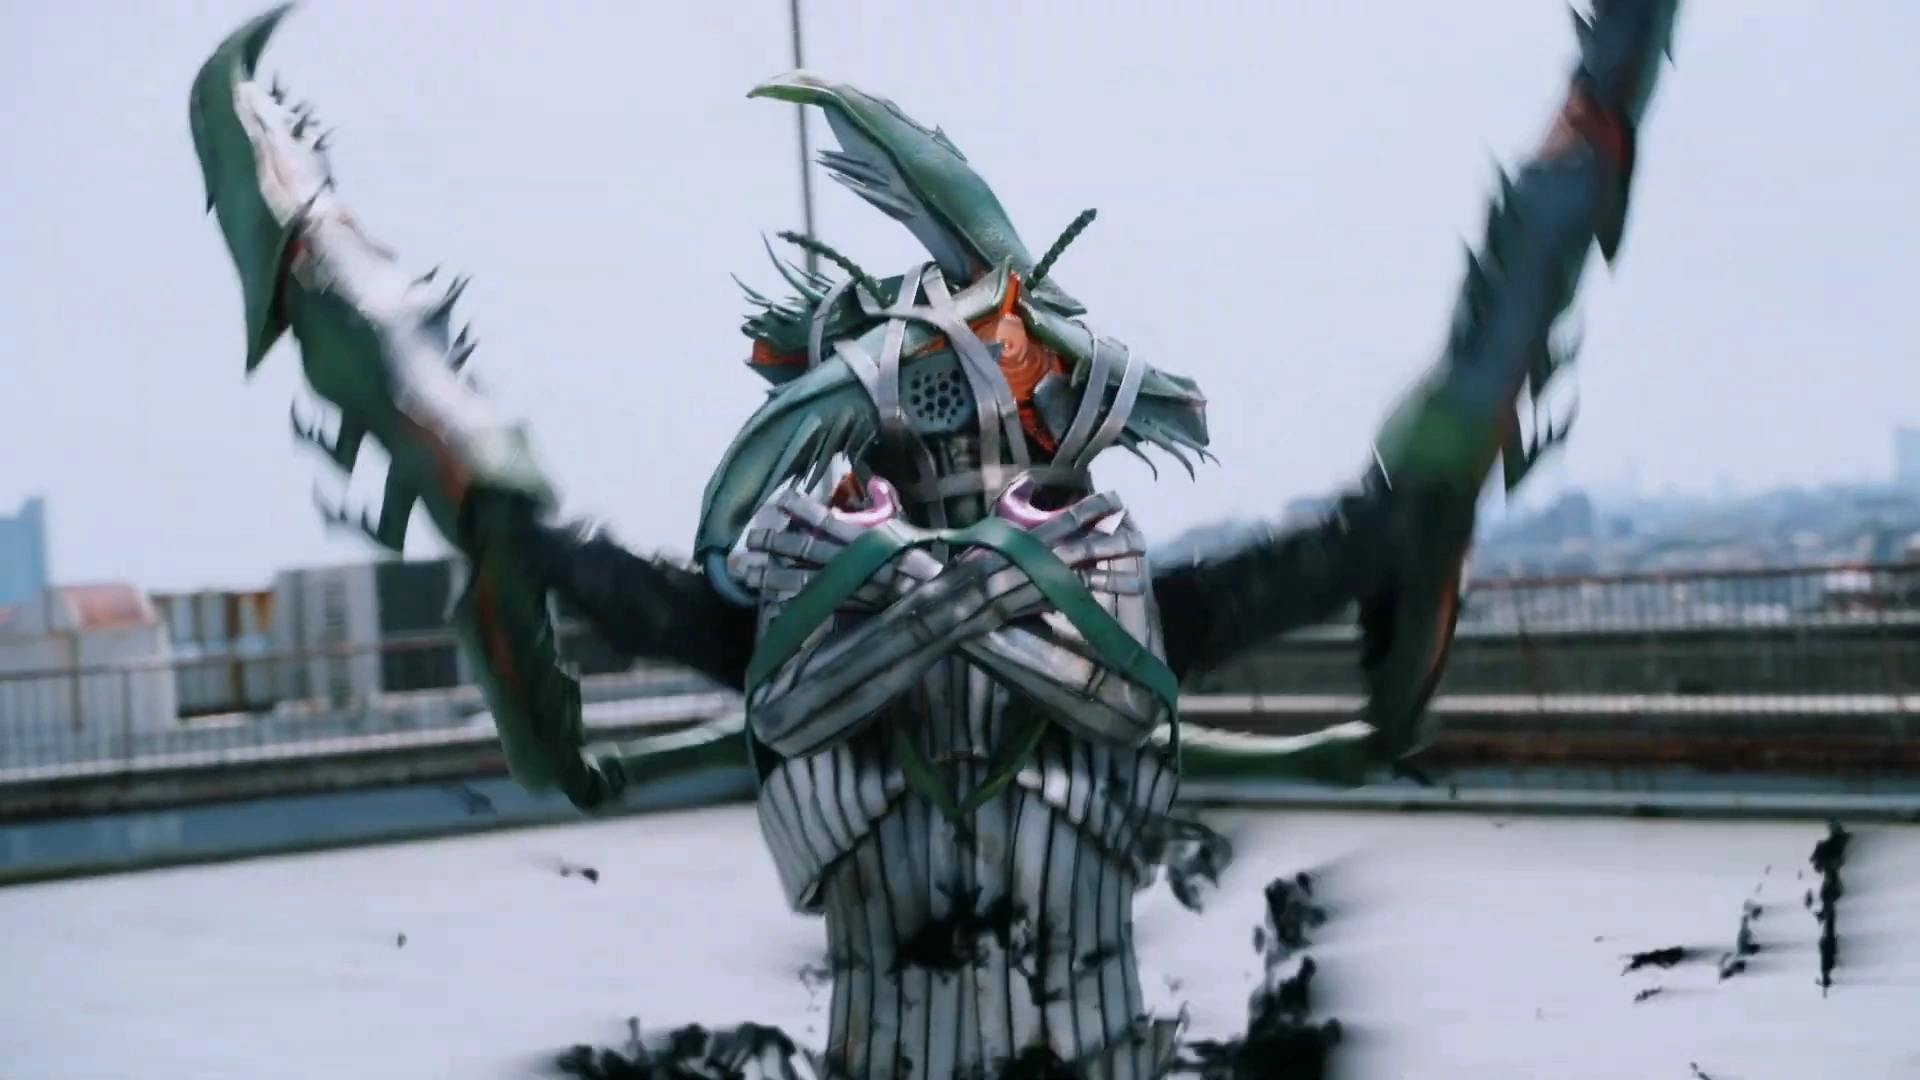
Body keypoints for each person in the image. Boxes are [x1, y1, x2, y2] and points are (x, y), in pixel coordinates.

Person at [188, 3, 1679, 1077]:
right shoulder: (1045, 615)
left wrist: (509, 591)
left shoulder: (821, 626)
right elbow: (1392, 560)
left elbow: (537, 595)